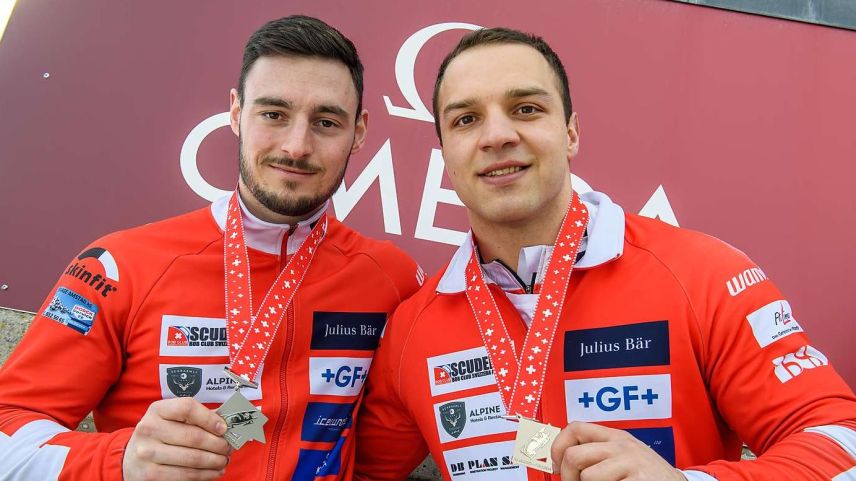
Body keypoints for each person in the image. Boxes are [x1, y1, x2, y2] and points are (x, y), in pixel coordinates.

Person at [354, 27, 856, 481]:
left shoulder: (702, 275)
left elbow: (842, 441)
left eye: (526, 109)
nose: (498, 136)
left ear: (570, 133)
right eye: (466, 119)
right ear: (445, 153)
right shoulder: (411, 331)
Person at [0, 15, 422, 481]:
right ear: (237, 113)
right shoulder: (124, 265)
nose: (297, 146)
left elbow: (390, 442)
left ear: (358, 132)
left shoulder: (394, 277)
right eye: (273, 114)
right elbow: (8, 428)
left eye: (325, 121)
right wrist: (119, 462)